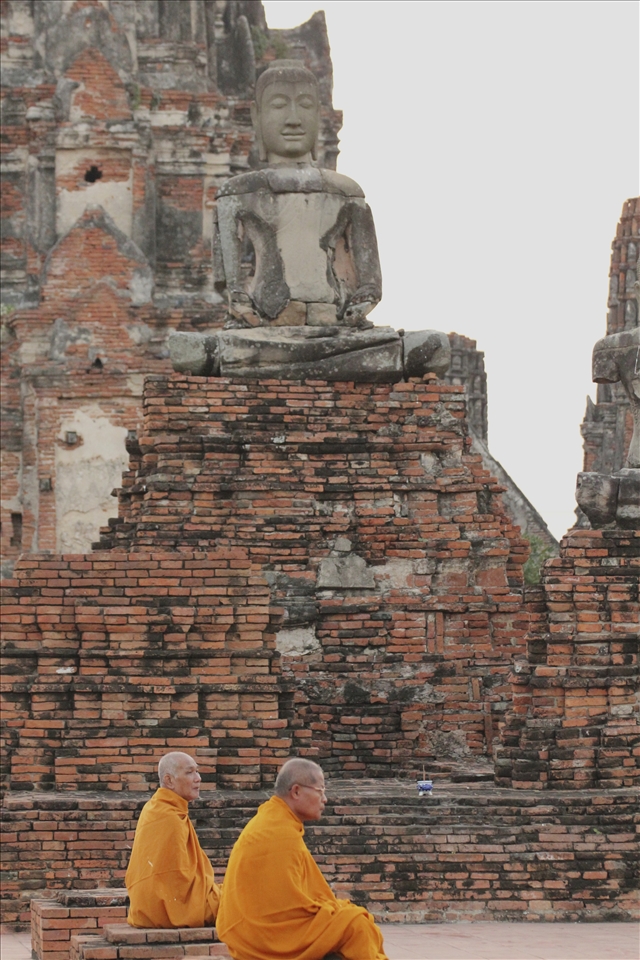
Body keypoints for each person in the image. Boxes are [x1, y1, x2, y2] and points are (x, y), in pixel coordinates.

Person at [215, 757, 388, 960]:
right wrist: (331, 912)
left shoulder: (274, 821)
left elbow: (292, 898)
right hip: (267, 938)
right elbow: (287, 909)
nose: (325, 799)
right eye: (320, 790)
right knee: (357, 925)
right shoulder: (278, 831)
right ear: (296, 791)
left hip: (253, 933)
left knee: (348, 917)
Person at [125, 752, 221, 928]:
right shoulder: (168, 817)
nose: (198, 778)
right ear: (169, 781)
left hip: (147, 905)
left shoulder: (159, 807)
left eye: (197, 772)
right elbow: (177, 882)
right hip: (168, 908)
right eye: (190, 772)